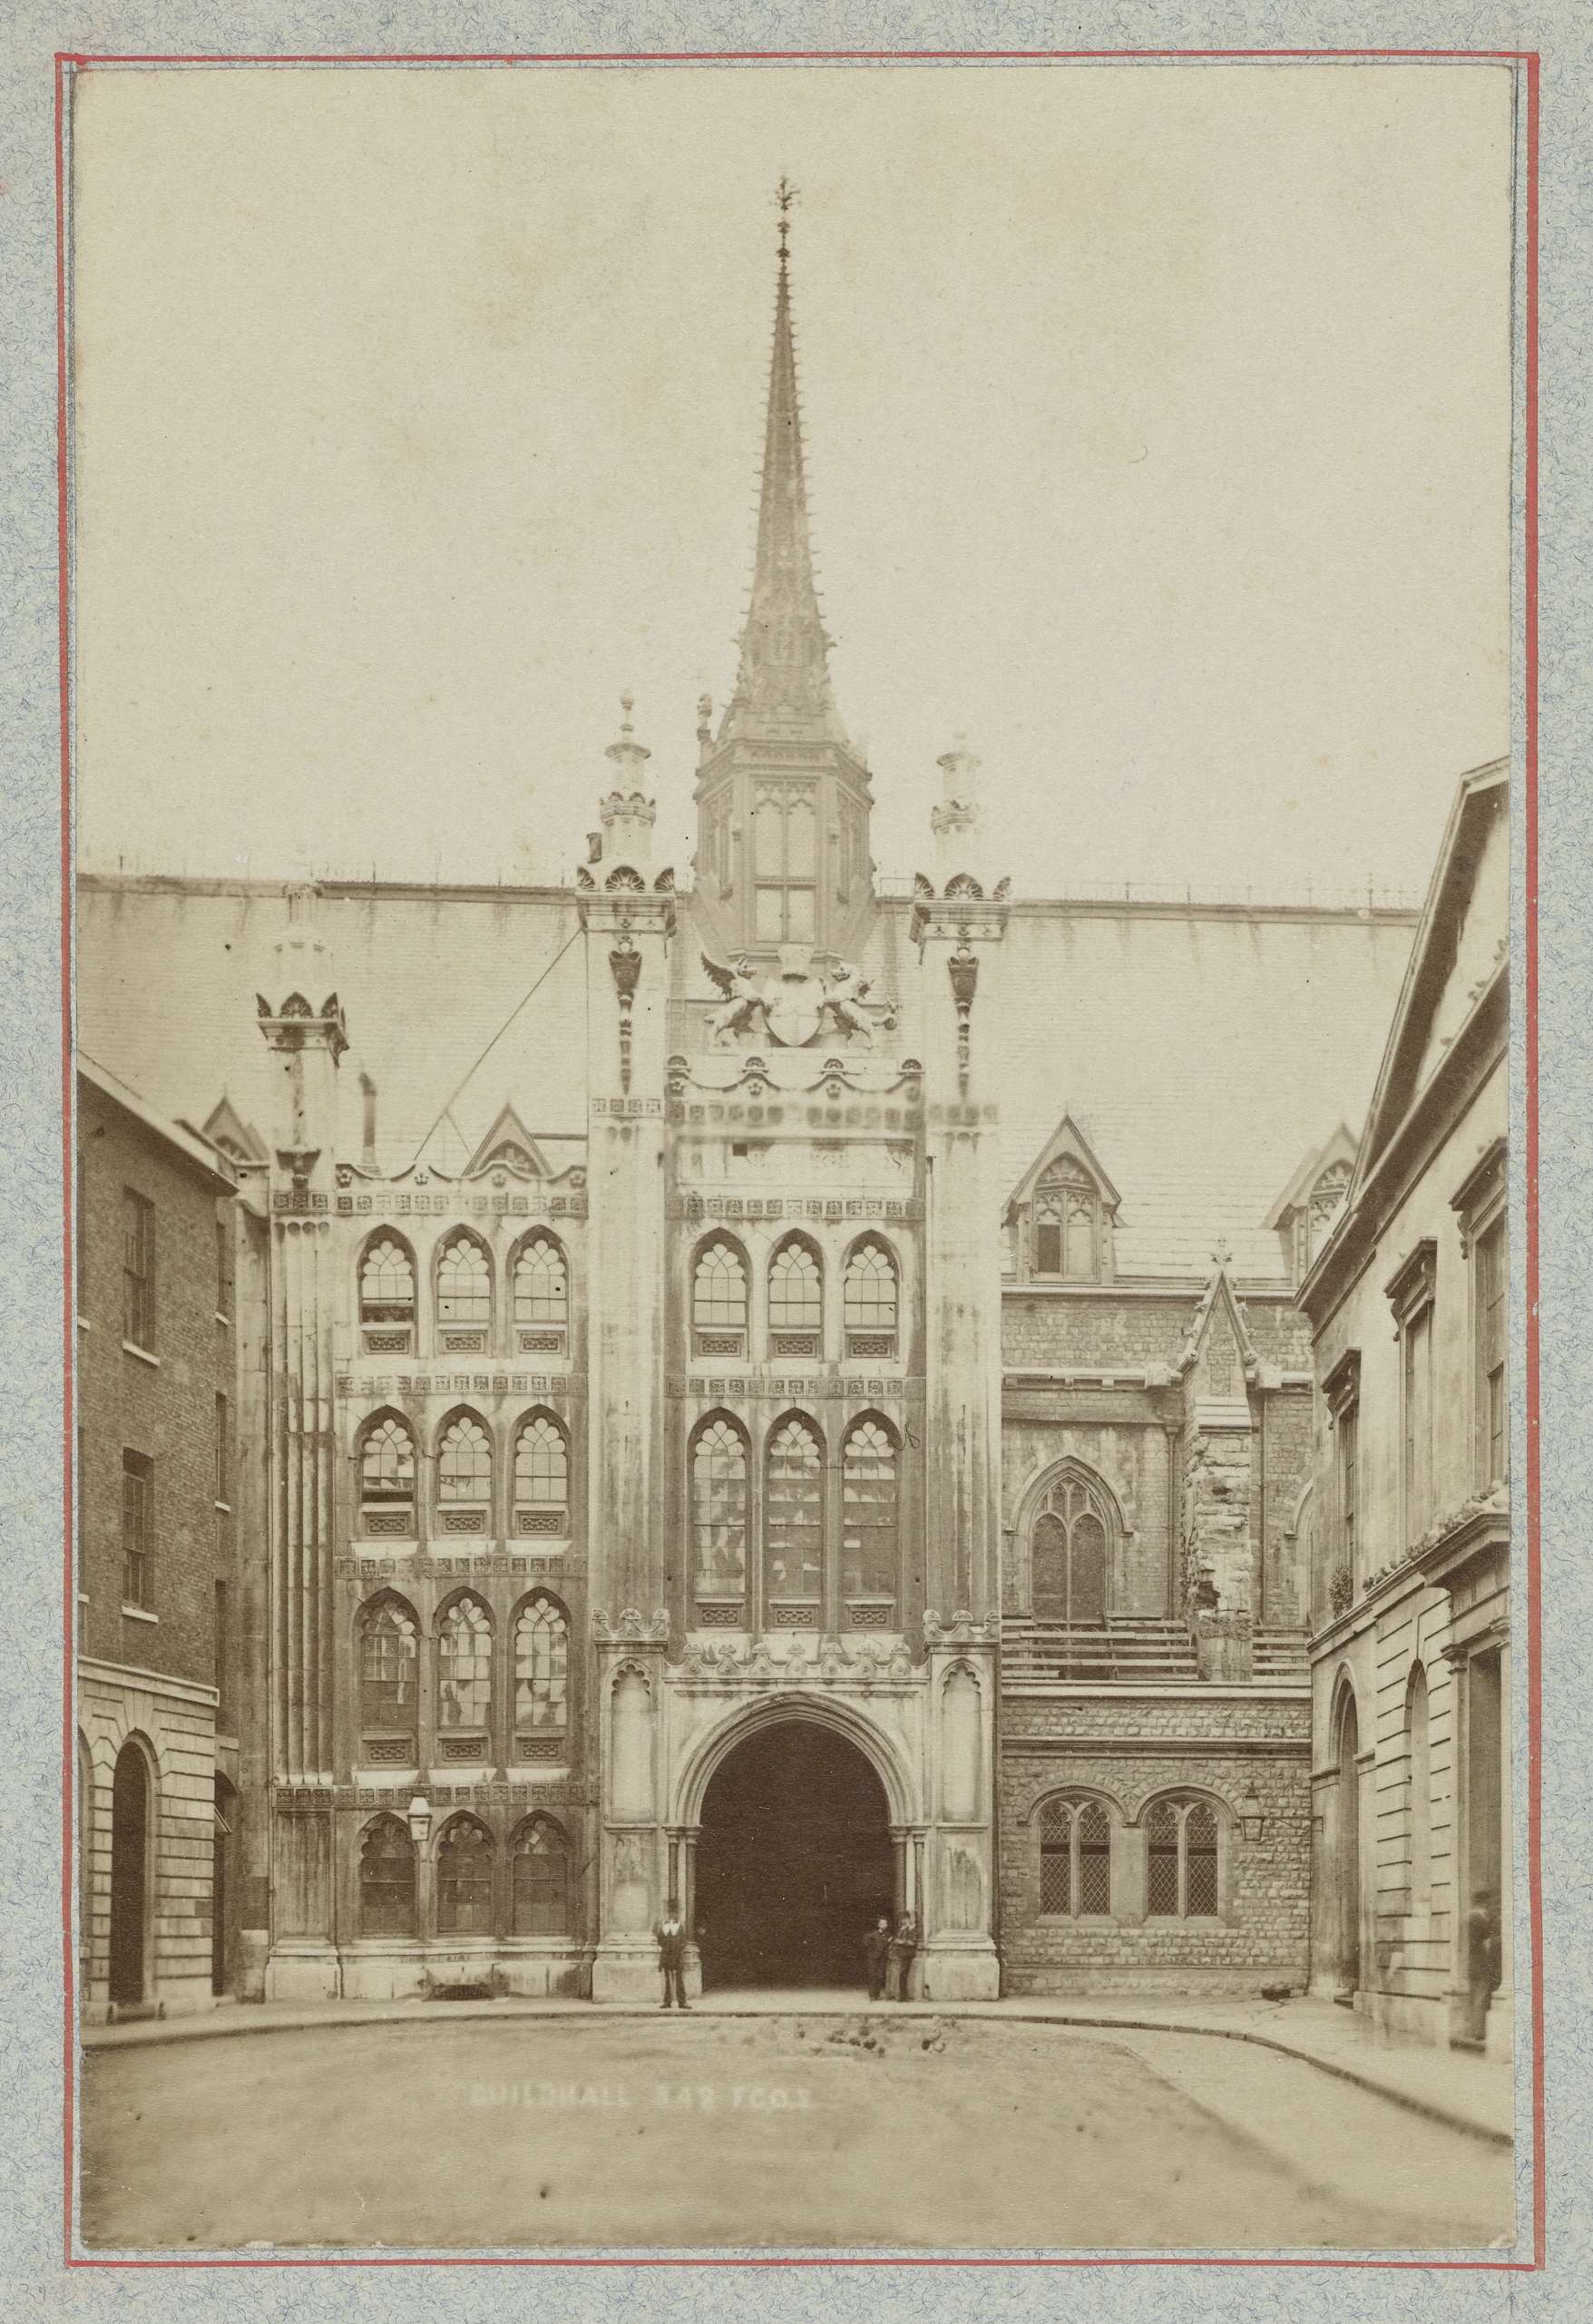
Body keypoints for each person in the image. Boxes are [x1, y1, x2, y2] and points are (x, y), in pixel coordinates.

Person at [656, 1906, 689, 2011]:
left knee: (679, 1980)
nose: (672, 1916)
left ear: (677, 1915)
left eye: (674, 1914)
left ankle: (682, 2002)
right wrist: (665, 1950)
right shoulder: (663, 1927)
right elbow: (660, 1940)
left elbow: (683, 1941)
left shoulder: (680, 1926)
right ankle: (667, 2002)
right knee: (667, 1980)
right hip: (666, 1956)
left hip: (677, 1956)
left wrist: (677, 1949)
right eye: (670, 1914)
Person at [885, 1911, 917, 2002]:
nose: (903, 1921)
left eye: (905, 1919)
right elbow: (899, 1939)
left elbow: (912, 1942)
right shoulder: (904, 1928)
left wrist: (901, 1941)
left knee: (903, 1974)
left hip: (908, 1954)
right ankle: (901, 1996)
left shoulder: (914, 1929)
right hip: (901, 1954)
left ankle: (903, 1996)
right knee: (902, 1975)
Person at [863, 1915, 891, 2001]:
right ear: (878, 1925)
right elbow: (865, 1942)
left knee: (880, 1976)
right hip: (873, 1958)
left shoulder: (888, 1935)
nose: (883, 1925)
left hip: (882, 1958)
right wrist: (871, 1950)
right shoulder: (872, 1934)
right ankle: (872, 1995)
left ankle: (877, 1994)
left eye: (885, 1924)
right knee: (872, 1975)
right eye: (881, 1924)